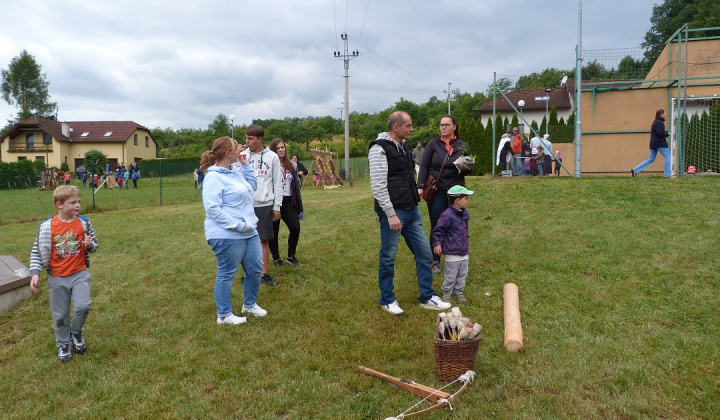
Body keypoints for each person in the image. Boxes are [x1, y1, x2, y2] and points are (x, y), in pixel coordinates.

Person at [369, 111, 451, 316]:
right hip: (393, 213)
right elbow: (378, 186)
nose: (412, 129)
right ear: (396, 127)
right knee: (388, 256)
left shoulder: (404, 146)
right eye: (408, 125)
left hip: (411, 211)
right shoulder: (379, 149)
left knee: (424, 253)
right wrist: (390, 214)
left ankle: (427, 296)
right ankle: (387, 299)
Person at [29, 185, 99, 362]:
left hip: (79, 273)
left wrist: (89, 245)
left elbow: (94, 247)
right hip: (57, 277)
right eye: (73, 202)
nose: (78, 206)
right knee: (60, 315)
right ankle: (63, 343)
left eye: (79, 202)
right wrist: (36, 272)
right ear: (59, 204)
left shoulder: (84, 222)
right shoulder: (47, 227)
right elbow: (37, 252)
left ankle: (75, 333)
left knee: (83, 306)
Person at [201, 136, 266, 325]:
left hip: (249, 231)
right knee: (227, 273)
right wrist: (238, 225)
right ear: (228, 153)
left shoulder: (234, 171)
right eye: (237, 148)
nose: (241, 149)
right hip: (227, 233)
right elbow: (213, 209)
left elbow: (252, 187)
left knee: (255, 269)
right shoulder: (213, 177)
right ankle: (224, 315)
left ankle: (250, 304)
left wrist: (245, 166)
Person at [417, 115, 473, 275]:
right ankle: (435, 260)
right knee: (437, 224)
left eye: (447, 124)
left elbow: (470, 169)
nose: (443, 127)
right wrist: (420, 186)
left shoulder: (462, 146)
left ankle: (454, 257)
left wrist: (465, 167)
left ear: (454, 126)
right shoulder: (433, 144)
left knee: (456, 224)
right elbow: (425, 165)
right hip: (437, 190)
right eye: (441, 125)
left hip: (456, 191)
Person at [238, 125, 283, 286]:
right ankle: (248, 272)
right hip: (246, 204)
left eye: (250, 138)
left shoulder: (272, 157)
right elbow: (235, 177)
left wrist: (277, 206)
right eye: (246, 138)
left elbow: (278, 182)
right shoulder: (242, 156)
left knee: (263, 239)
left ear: (260, 139)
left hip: (265, 204)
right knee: (246, 240)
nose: (247, 141)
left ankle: (264, 272)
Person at [431, 185, 473, 303]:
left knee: (462, 274)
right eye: (466, 198)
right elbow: (438, 230)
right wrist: (437, 243)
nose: (467, 200)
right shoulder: (447, 215)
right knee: (451, 275)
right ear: (458, 200)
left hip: (463, 251)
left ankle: (458, 291)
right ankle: (447, 293)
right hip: (452, 251)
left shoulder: (464, 213)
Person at [268, 138, 304, 267]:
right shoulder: (271, 165)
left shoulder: (292, 165)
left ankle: (291, 255)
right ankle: (276, 258)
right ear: (273, 150)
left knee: (295, 227)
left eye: (282, 147)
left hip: (288, 202)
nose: (281, 150)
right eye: (278, 148)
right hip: (274, 202)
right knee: (273, 232)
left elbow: (295, 184)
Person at [632, 109, 672, 178]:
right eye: (664, 113)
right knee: (667, 156)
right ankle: (667, 175)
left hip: (653, 144)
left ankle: (635, 170)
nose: (665, 114)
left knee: (651, 159)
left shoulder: (656, 122)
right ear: (661, 114)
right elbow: (660, 133)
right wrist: (667, 134)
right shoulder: (659, 123)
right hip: (660, 143)